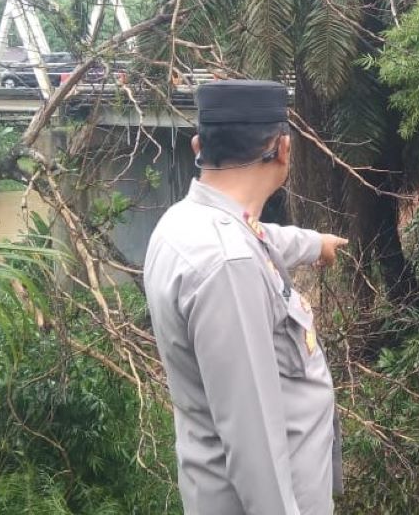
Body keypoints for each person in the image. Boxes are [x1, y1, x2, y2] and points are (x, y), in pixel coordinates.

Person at [144, 79, 349, 515]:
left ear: (200, 145)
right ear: (282, 149)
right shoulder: (230, 267)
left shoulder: (188, 223)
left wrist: (314, 243)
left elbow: (260, 236)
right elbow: (252, 439)